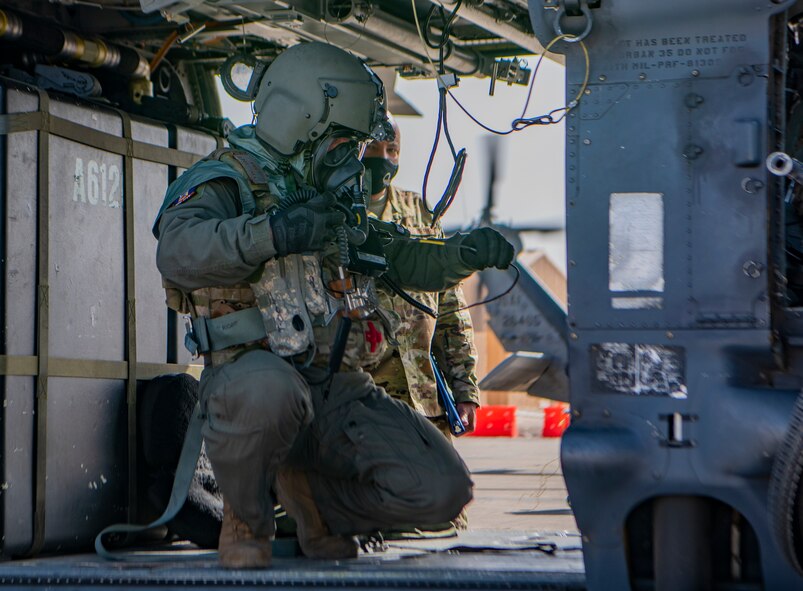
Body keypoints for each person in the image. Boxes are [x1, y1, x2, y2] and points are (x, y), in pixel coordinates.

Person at [153, 42, 514, 569]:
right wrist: (271, 233)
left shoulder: (330, 196)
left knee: (441, 490)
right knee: (273, 392)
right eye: (344, 144)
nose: (353, 161)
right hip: (250, 378)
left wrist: (460, 255)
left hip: (330, 382)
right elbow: (178, 251)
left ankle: (314, 505)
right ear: (301, 123)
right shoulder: (223, 181)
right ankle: (245, 519)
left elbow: (397, 256)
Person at [363, 120, 481, 441]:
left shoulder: (420, 213)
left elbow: (450, 307)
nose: (383, 158)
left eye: (392, 150)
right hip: (361, 402)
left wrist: (465, 387)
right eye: (373, 148)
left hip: (424, 399)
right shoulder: (334, 213)